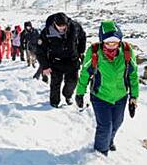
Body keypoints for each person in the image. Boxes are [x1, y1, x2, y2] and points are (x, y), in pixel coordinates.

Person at [75, 20, 139, 156]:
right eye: (108, 42)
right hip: (100, 96)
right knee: (105, 126)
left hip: (120, 96)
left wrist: (134, 97)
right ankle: (100, 152)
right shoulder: (94, 52)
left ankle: (109, 141)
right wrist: (80, 93)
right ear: (102, 40)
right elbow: (85, 73)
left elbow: (133, 75)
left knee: (117, 123)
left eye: (115, 42)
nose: (111, 46)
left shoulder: (127, 51)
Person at [36, 12, 86, 108]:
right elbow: (40, 50)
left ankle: (67, 95)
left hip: (72, 60)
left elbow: (82, 36)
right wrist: (45, 66)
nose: (62, 28)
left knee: (73, 81)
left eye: (64, 26)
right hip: (56, 61)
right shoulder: (47, 32)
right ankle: (54, 103)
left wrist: (80, 51)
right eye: (60, 26)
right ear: (54, 23)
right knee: (55, 84)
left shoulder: (75, 27)